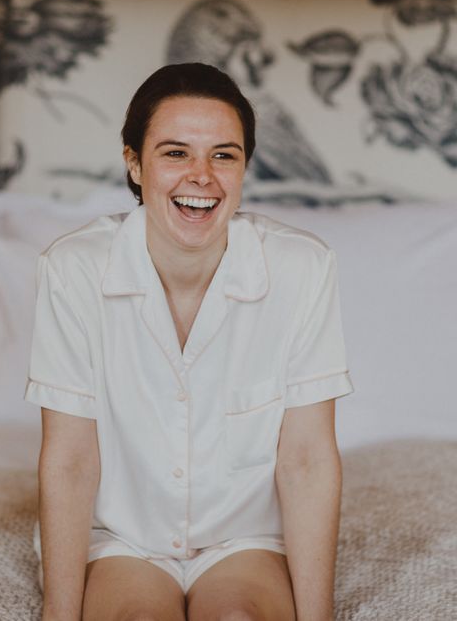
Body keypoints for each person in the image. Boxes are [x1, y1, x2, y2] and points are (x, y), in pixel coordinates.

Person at [25, 63, 353, 621]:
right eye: (176, 153)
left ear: (245, 166)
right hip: (122, 540)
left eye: (223, 155)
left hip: (245, 539)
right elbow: (71, 459)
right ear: (134, 163)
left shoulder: (303, 268)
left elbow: (306, 460)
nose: (201, 176)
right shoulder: (72, 269)